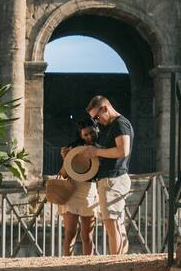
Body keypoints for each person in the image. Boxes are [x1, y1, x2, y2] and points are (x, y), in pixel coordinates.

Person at [87, 96, 134, 255]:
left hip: (113, 179)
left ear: (105, 108)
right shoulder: (111, 126)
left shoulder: (120, 124)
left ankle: (114, 263)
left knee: (111, 223)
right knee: (117, 224)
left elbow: (123, 151)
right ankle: (120, 262)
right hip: (111, 179)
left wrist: (97, 152)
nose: (96, 121)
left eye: (96, 117)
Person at [57, 121, 100, 255]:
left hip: (89, 190)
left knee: (87, 234)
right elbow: (63, 174)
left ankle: (88, 263)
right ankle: (67, 263)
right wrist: (65, 159)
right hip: (72, 189)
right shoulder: (73, 147)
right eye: (85, 134)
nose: (89, 137)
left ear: (97, 130)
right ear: (81, 135)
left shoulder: (102, 148)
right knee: (70, 232)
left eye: (91, 133)